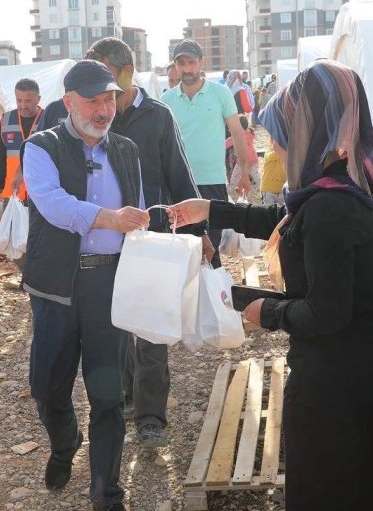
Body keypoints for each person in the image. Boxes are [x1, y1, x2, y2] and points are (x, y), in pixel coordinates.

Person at [169, 60, 373, 511]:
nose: (276, 154)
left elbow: (326, 314)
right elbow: (289, 223)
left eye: (281, 139)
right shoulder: (346, 180)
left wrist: (263, 313)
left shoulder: (329, 205)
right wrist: (211, 209)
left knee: (338, 489)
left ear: (313, 133)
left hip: (345, 385)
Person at [22, 60, 149, 511]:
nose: (103, 109)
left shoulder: (127, 150)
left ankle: (106, 492)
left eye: (109, 98)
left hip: (108, 286)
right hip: (57, 286)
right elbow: (53, 204)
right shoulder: (42, 147)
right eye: (93, 100)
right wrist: (107, 218)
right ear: (68, 102)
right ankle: (64, 443)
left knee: (108, 395)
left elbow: (138, 207)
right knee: (48, 388)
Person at [84, 38, 205, 450]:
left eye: (104, 78)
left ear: (125, 72)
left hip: (150, 239)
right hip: (101, 241)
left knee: (151, 327)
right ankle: (126, 392)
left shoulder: (157, 117)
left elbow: (179, 175)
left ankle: (151, 417)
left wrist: (199, 232)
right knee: (116, 322)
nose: (98, 97)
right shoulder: (87, 117)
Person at [162, 40, 251, 267]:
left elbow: (237, 133)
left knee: (211, 248)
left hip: (212, 184)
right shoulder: (166, 101)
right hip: (178, 186)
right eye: (181, 63)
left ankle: (214, 296)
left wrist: (243, 172)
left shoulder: (220, 93)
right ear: (175, 65)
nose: (187, 68)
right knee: (183, 249)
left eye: (191, 62)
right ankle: (187, 300)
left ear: (201, 62)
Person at [0, 78, 43, 202]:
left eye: (28, 101)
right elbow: (1, 155)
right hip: (12, 191)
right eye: (19, 100)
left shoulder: (47, 118)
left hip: (40, 192)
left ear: (38, 99)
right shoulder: (6, 119)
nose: (23, 106)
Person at [225, 115, 259, 199]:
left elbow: (226, 144)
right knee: (255, 178)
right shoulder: (250, 133)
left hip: (242, 161)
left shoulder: (237, 136)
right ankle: (254, 191)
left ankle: (237, 191)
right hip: (253, 160)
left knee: (234, 180)